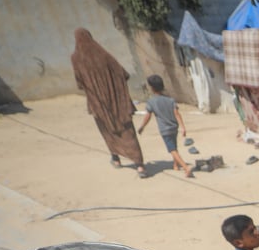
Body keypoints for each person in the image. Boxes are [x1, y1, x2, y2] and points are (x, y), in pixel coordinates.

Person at [70, 28, 146, 178]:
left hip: (97, 103)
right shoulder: (103, 54)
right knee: (127, 130)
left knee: (107, 131)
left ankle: (116, 159)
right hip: (117, 101)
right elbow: (123, 73)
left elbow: (79, 83)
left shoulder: (76, 58)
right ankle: (140, 166)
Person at [137, 74, 193, 178]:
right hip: (174, 128)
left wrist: (142, 127)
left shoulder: (151, 102)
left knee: (172, 150)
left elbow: (148, 116)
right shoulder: (170, 100)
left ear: (152, 88)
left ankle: (186, 168)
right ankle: (175, 165)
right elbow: (177, 114)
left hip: (165, 130)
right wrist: (183, 127)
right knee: (174, 146)